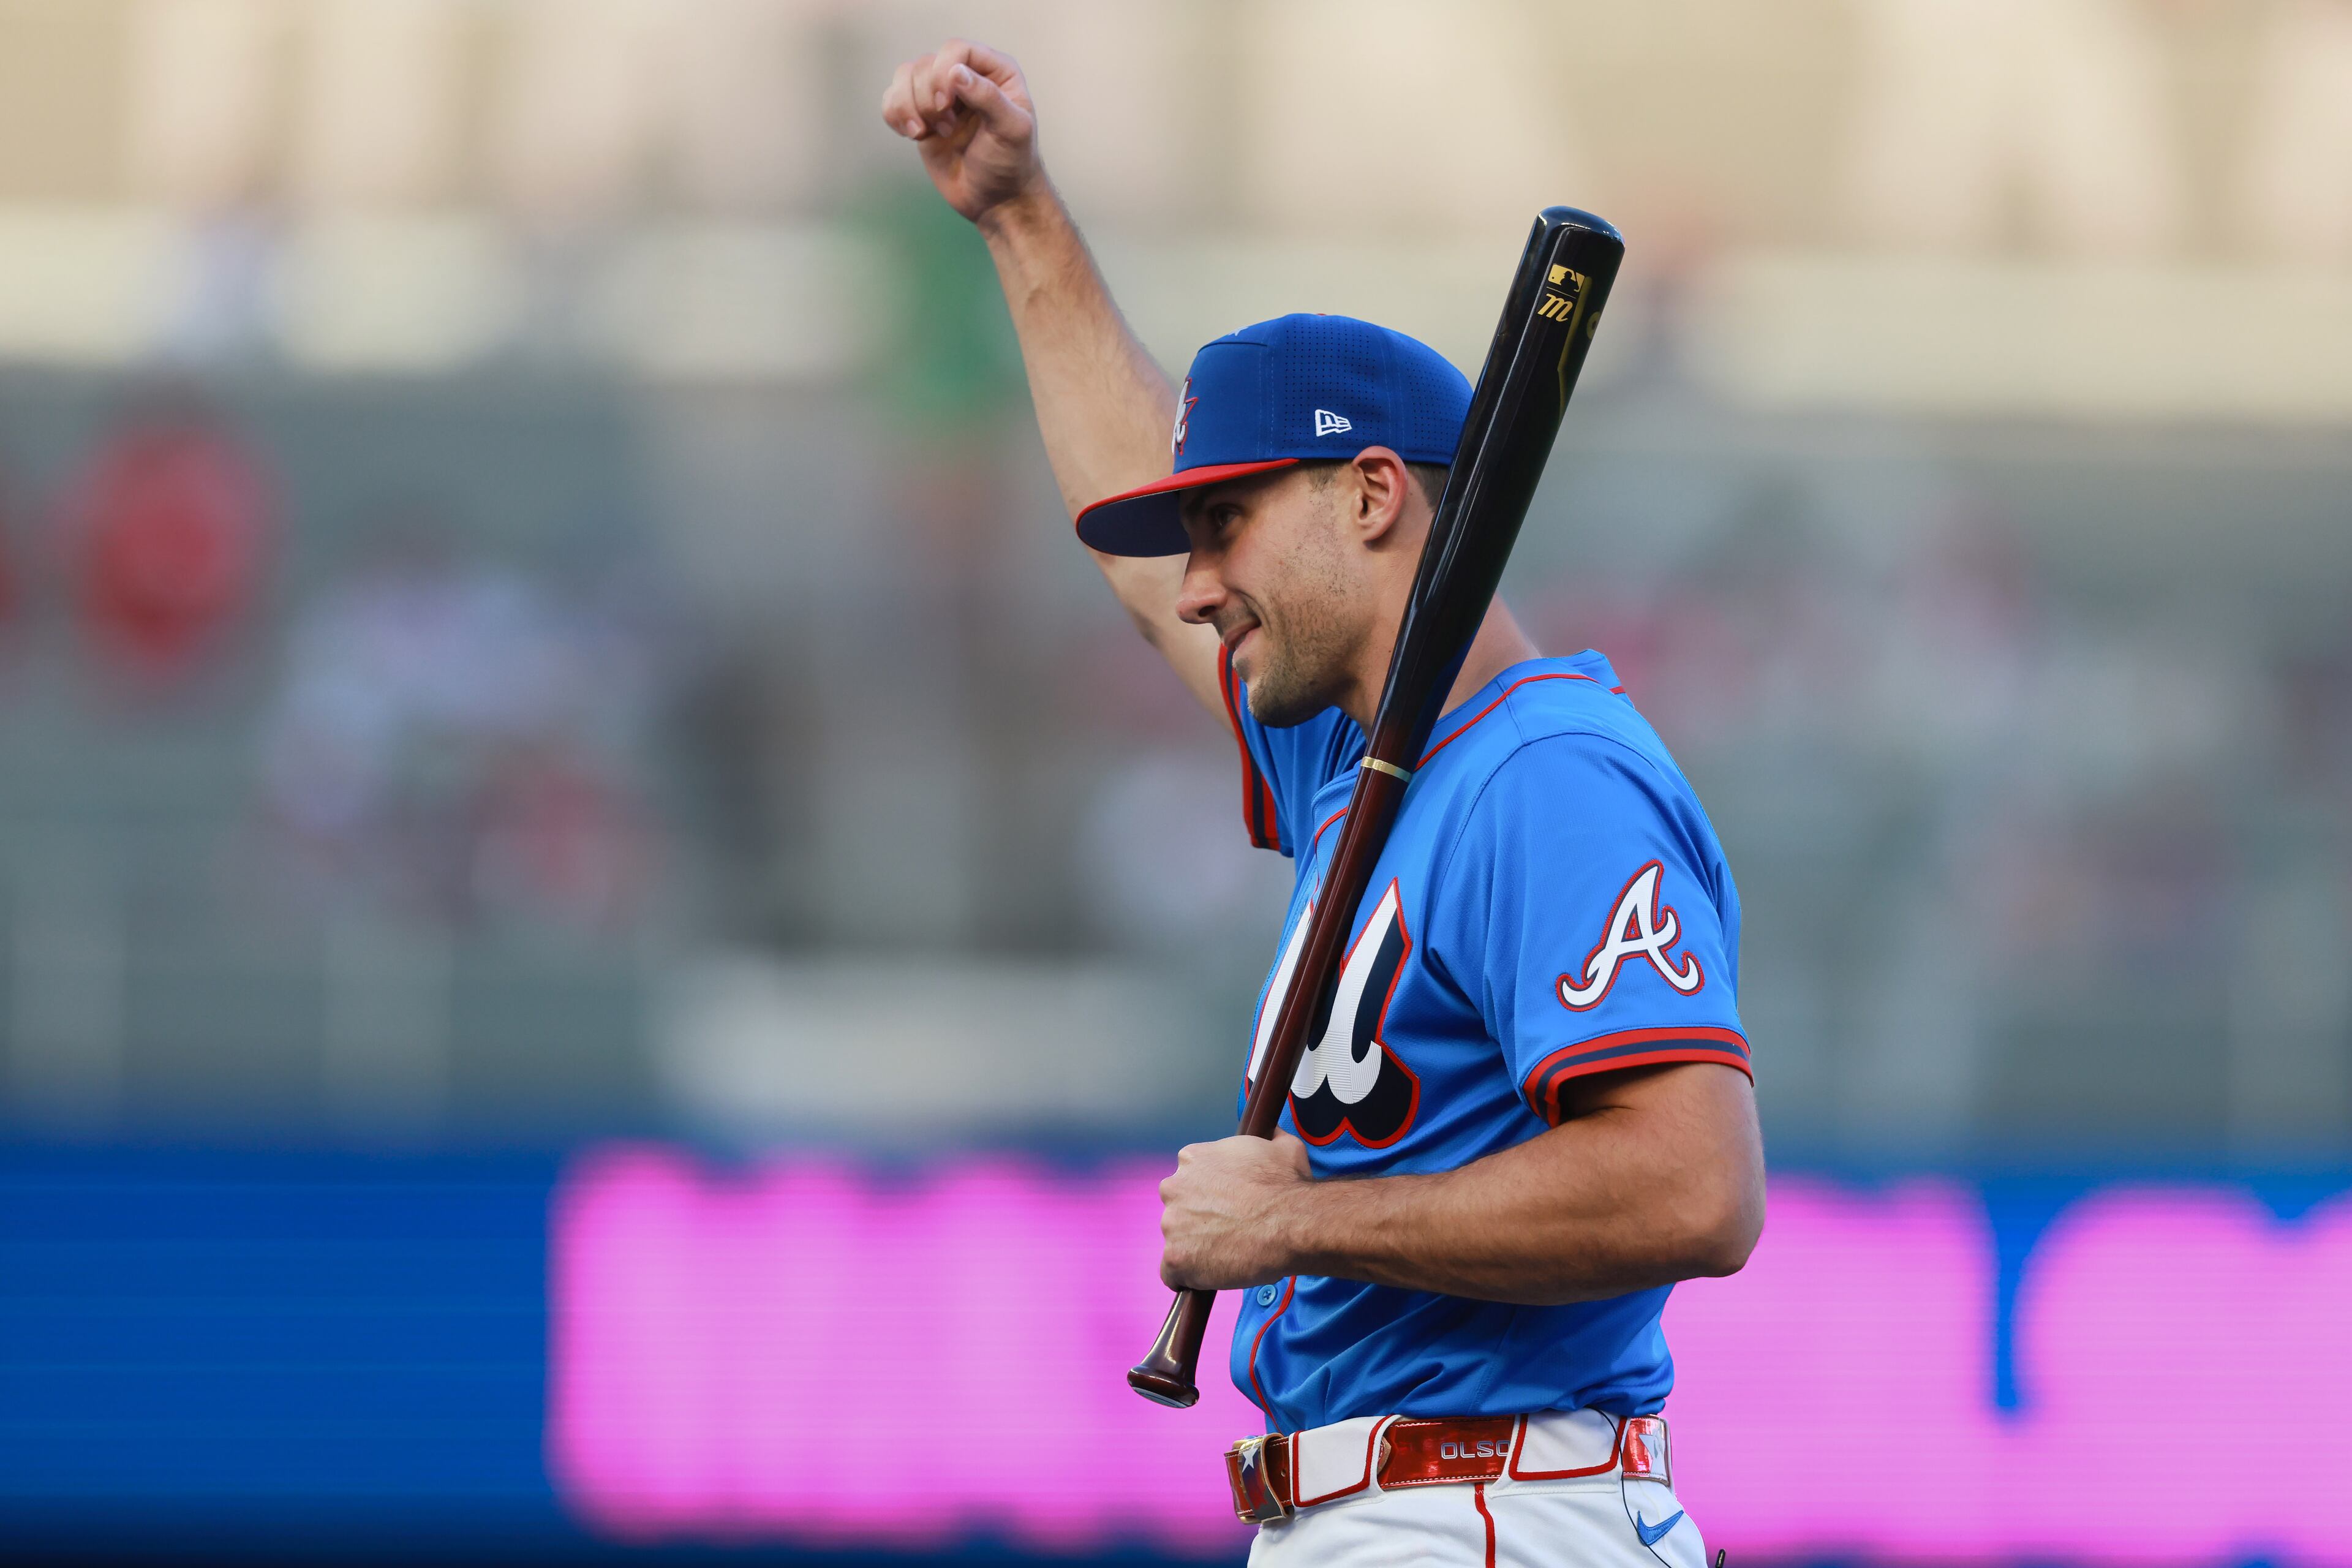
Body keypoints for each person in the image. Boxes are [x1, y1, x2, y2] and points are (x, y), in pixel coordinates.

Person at [884, 40, 1763, 1567]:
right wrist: (1017, 215)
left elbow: (1696, 1184)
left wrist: (1302, 1221)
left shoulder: (1544, 780)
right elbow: (1141, 567)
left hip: (1494, 1504)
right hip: (1406, 1504)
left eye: (1227, 521)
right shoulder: (1367, 757)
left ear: (1370, 498)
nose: (1201, 577)